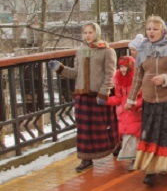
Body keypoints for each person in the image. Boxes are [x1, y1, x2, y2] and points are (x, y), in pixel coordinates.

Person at [48, 22, 118, 172]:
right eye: (85, 33)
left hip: (98, 96)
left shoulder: (107, 51)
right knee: (84, 130)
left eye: (90, 32)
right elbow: (76, 73)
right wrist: (60, 68)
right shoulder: (80, 51)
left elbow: (110, 74)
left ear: (97, 33)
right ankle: (86, 158)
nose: (87, 35)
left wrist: (104, 92)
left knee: (104, 126)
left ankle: (115, 146)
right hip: (82, 97)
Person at [126, 16, 167, 186]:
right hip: (148, 100)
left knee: (166, 133)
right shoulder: (142, 49)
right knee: (150, 134)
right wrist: (131, 99)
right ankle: (150, 170)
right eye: (149, 29)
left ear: (163, 31)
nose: (151, 32)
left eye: (155, 29)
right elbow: (138, 77)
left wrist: (166, 78)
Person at [106, 56, 142, 171]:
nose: (122, 69)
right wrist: (106, 100)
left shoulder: (137, 81)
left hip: (134, 113)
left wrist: (134, 105)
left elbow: (143, 98)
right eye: (121, 66)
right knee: (127, 136)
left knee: (133, 137)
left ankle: (135, 160)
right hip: (123, 114)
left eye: (125, 67)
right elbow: (118, 98)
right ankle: (134, 159)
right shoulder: (119, 81)